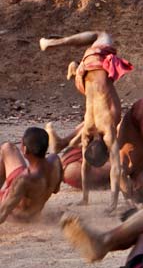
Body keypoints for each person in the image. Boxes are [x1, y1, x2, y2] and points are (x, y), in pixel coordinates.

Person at [39, 31, 131, 210]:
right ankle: (69, 61)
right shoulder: (93, 131)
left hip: (93, 67)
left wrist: (86, 198)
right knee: (101, 36)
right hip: (86, 76)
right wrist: (113, 203)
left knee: (101, 34)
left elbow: (103, 169)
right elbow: (97, 168)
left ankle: (55, 43)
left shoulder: (103, 128)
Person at [0, 127, 62, 224]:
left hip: (18, 217)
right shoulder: (55, 161)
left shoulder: (24, 180)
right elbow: (56, 190)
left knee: (5, 148)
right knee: (8, 147)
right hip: (35, 210)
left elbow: (2, 214)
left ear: (24, 149)